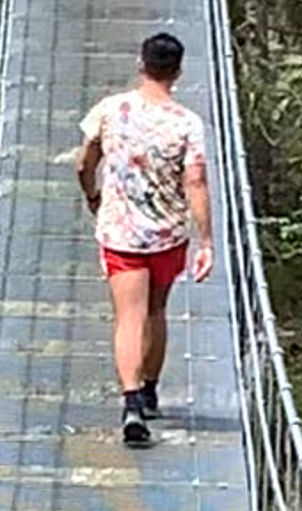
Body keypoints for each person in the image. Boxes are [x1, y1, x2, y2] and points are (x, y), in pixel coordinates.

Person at [74, 27, 213, 447]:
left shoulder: (111, 110)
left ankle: (132, 404)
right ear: (178, 72)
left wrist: (92, 194)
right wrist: (205, 240)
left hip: (120, 232)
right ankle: (150, 390)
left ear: (141, 65)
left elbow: (85, 161)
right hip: (168, 235)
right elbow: (196, 182)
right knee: (155, 311)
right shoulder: (188, 124)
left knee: (128, 316)